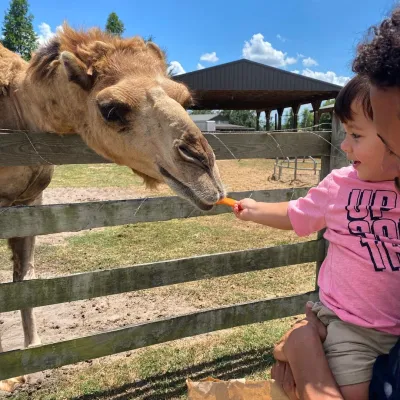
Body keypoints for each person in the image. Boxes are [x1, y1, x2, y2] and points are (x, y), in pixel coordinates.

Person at [233, 74, 400, 400]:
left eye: (356, 134)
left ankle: (300, 348)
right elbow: (298, 213)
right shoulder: (339, 184)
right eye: (346, 133)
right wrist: (255, 210)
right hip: (348, 326)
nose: (344, 144)